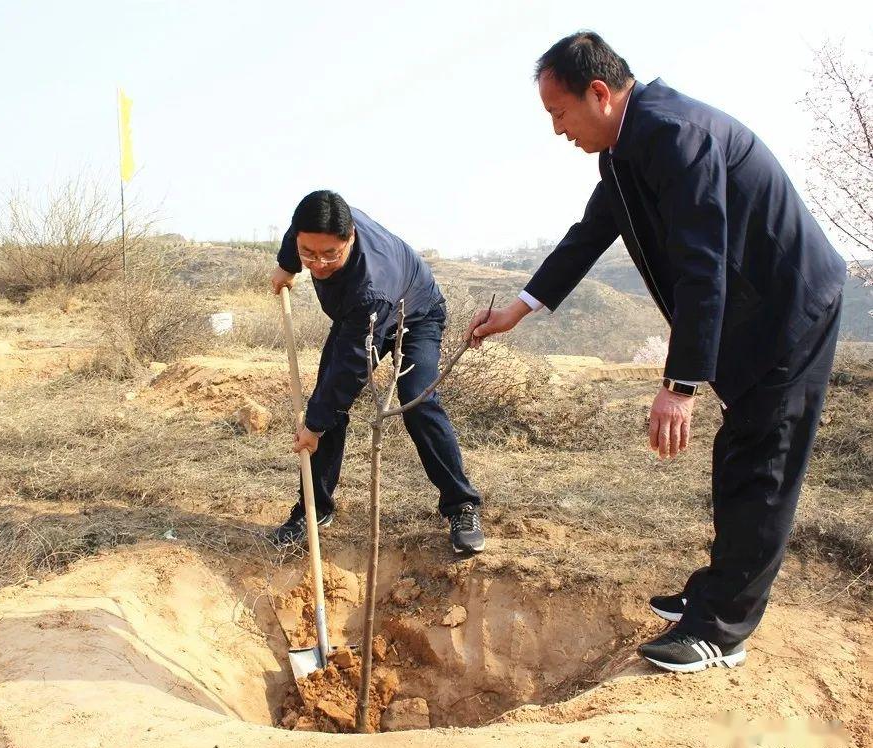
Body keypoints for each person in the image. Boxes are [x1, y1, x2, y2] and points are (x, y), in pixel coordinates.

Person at [467, 32, 846, 672]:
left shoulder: (675, 135)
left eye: (559, 112)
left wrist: (680, 385)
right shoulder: (622, 152)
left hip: (790, 310)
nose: (557, 129)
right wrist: (519, 308)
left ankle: (721, 630)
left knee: (765, 463)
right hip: (751, 314)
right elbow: (588, 235)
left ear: (599, 93)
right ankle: (715, 590)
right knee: (742, 454)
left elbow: (704, 268)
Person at [270, 190, 485, 554]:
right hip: (358, 314)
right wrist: (288, 264)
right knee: (326, 403)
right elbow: (299, 234)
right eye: (309, 253)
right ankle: (314, 509)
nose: (318, 264)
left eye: (329, 255)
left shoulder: (371, 287)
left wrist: (313, 427)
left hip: (416, 312)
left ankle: (461, 504)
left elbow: (350, 370)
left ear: (350, 236)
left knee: (417, 399)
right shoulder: (318, 222)